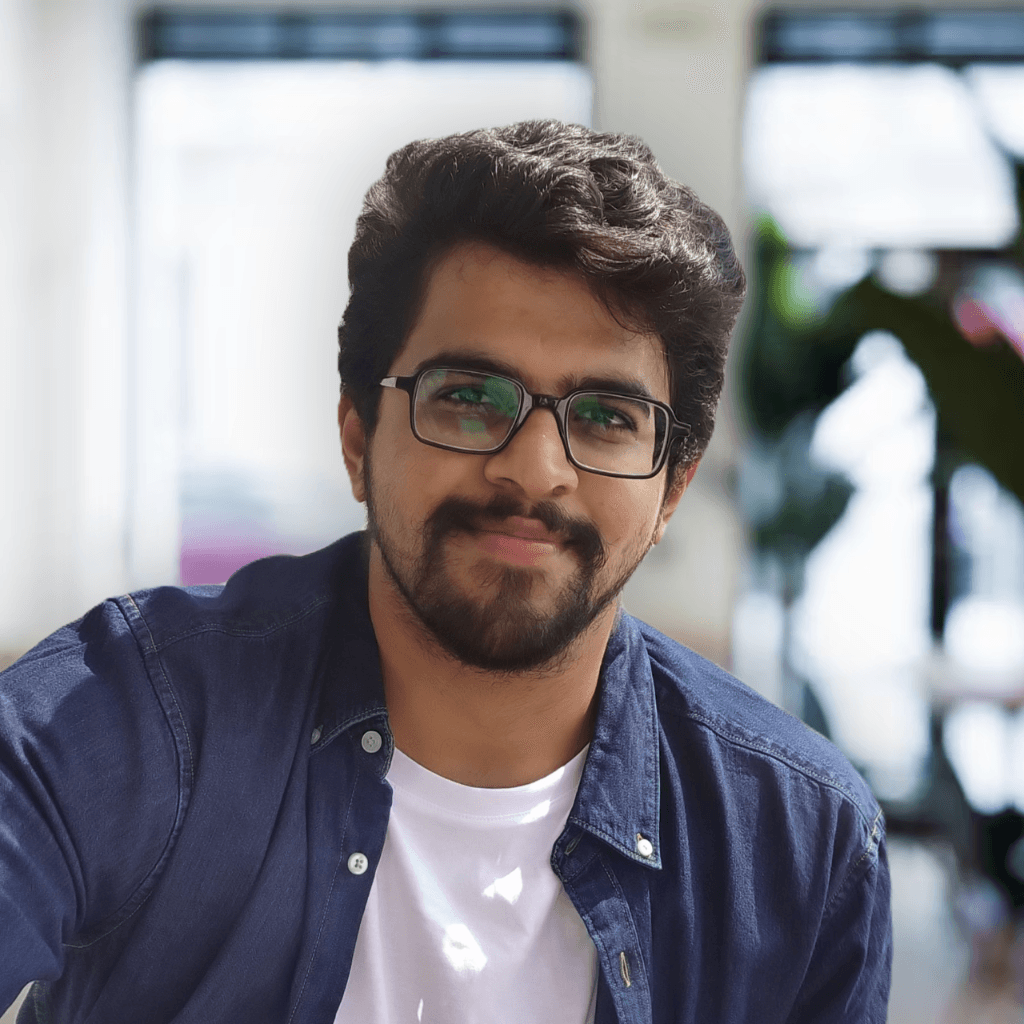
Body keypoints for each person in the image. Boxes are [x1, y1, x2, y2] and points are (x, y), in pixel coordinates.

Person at [0, 120, 891, 1024]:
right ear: (358, 437)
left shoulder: (799, 843)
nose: (535, 471)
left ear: (672, 491)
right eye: (468, 398)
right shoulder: (132, 717)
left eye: (605, 418)